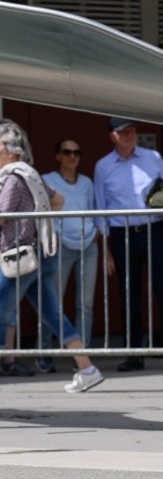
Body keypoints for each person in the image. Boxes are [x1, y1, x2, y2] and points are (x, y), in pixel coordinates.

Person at [0, 119, 104, 392]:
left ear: (9, 150)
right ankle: (87, 369)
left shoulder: (12, 179)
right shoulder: (31, 175)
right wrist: (39, 224)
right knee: (54, 315)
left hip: (19, 258)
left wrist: (25, 225)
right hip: (39, 255)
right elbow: (58, 200)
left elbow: (1, 217)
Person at [93, 117, 163, 373]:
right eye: (123, 132)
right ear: (113, 136)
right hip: (123, 234)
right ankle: (133, 355)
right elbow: (100, 209)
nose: (129, 136)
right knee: (130, 297)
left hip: (156, 230)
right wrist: (105, 250)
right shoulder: (103, 166)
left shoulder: (153, 158)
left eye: (132, 131)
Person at [42, 138, 100, 349]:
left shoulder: (87, 183)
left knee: (86, 304)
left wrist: (96, 233)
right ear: (58, 156)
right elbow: (42, 211)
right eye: (67, 152)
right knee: (53, 302)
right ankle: (44, 351)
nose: (72, 156)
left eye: (76, 153)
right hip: (61, 247)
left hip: (88, 246)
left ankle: (81, 353)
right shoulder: (47, 180)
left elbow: (93, 210)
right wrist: (53, 235)